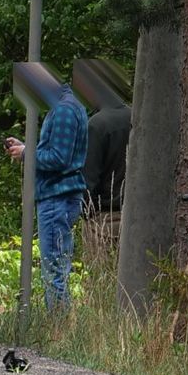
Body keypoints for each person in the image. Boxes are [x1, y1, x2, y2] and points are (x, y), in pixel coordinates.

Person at [6, 71, 88, 313]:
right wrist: (26, 148)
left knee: (54, 269)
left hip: (56, 197)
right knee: (57, 265)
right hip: (61, 196)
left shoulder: (63, 111)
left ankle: (57, 328)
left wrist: (25, 154)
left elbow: (59, 159)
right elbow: (57, 152)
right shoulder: (71, 106)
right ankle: (58, 323)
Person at [73, 59, 132, 266]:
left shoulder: (96, 125)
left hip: (103, 221)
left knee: (103, 279)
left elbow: (88, 179)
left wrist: (84, 213)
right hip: (136, 217)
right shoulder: (137, 117)